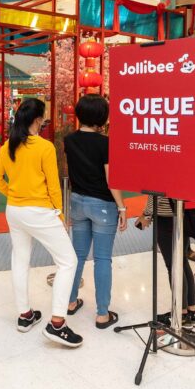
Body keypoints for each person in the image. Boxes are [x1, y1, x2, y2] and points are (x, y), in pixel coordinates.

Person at [0, 98, 83, 348]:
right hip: (40, 212)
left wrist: (13, 194)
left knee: (20, 260)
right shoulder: (44, 147)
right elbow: (53, 186)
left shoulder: (7, 146)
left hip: (15, 211)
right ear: (38, 119)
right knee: (68, 261)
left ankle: (25, 316)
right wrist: (60, 215)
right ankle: (57, 324)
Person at [63, 95, 126, 330]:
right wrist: (122, 207)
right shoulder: (106, 143)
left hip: (78, 202)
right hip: (103, 205)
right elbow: (111, 180)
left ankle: (69, 302)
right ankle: (102, 314)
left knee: (77, 256)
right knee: (102, 259)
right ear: (102, 117)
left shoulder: (69, 140)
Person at [136, 173, 195, 339]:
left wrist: (146, 214)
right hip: (185, 216)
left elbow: (156, 189)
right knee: (182, 262)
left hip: (165, 218)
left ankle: (180, 313)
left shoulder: (167, 160)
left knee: (173, 265)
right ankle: (191, 311)